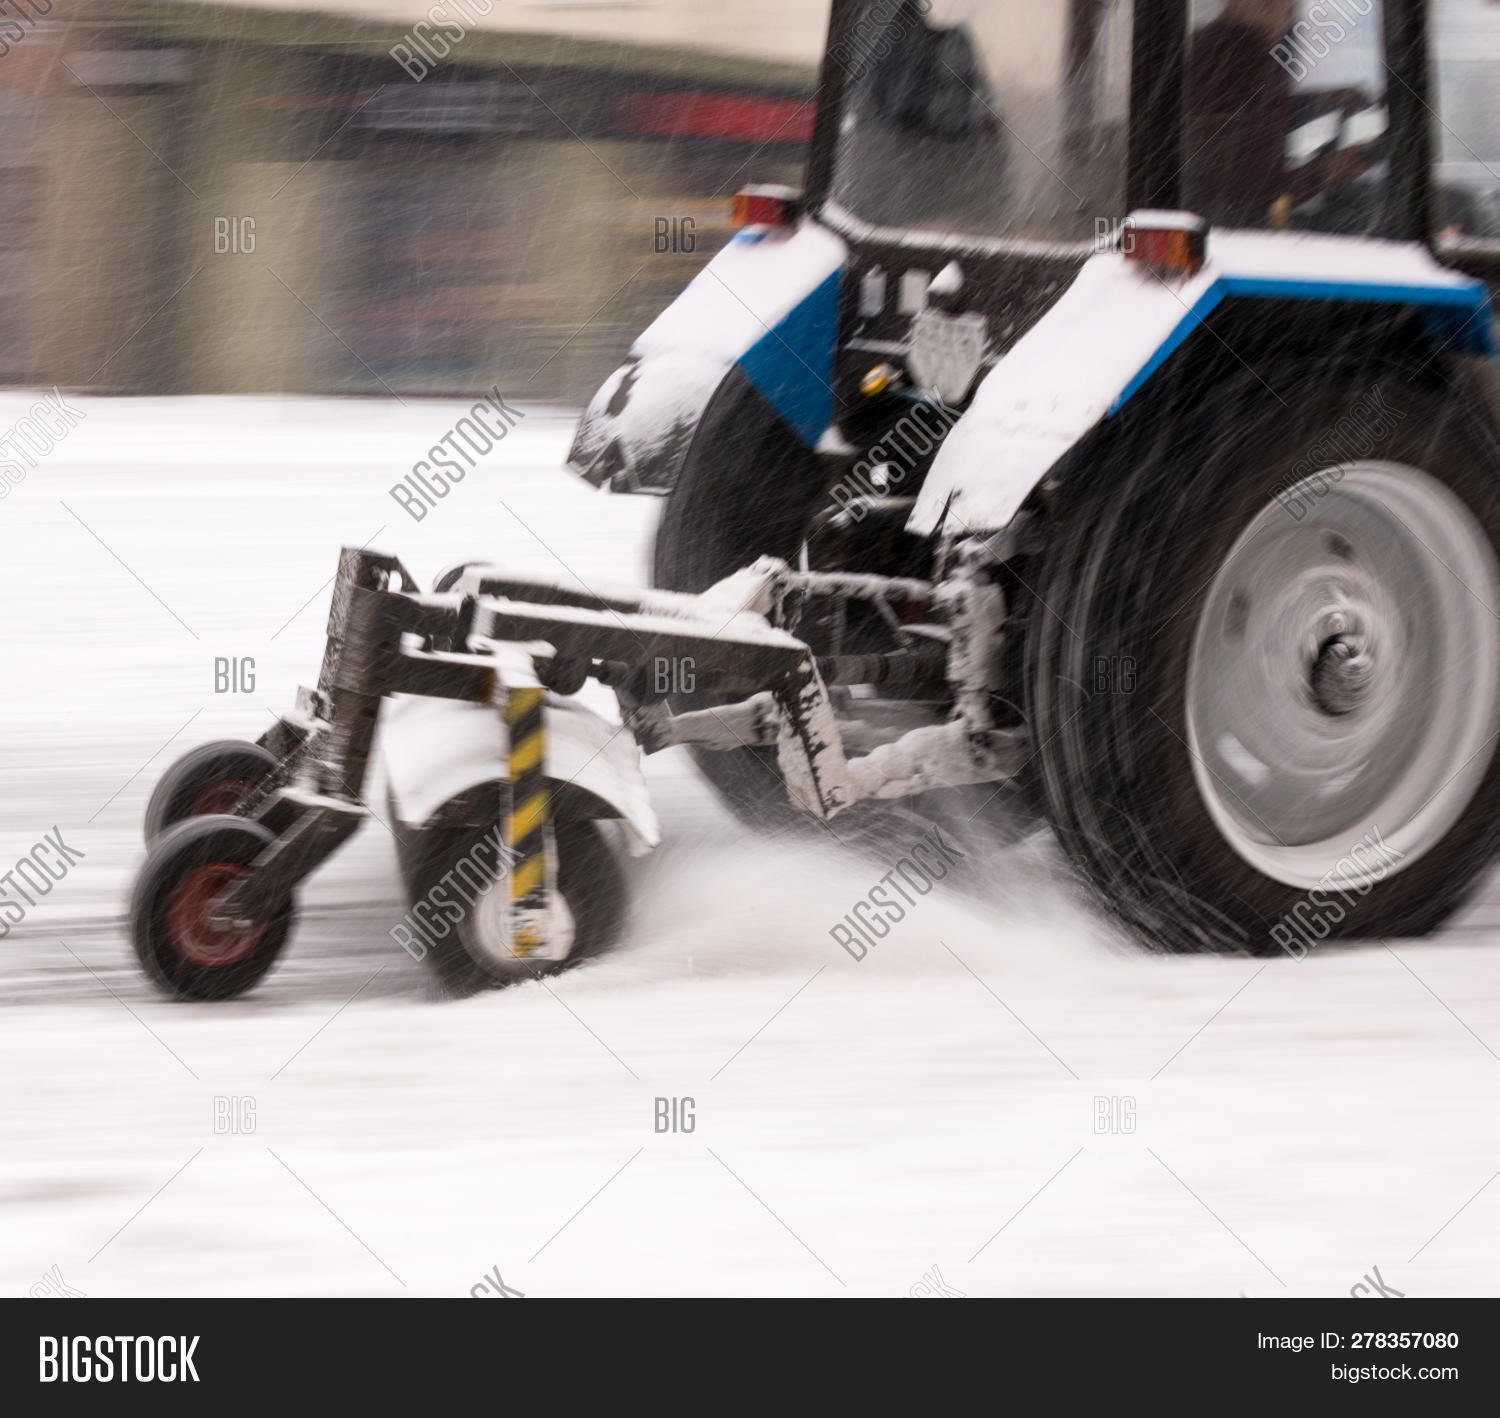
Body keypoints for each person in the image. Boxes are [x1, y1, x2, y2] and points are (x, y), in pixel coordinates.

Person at [1186, 0, 1381, 228]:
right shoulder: (1231, 57)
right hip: (1231, 225)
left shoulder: (1247, 52)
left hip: (1229, 213)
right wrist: (1325, 172)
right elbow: (1261, 188)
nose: (1283, 7)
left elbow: (1256, 114)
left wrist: (1321, 101)